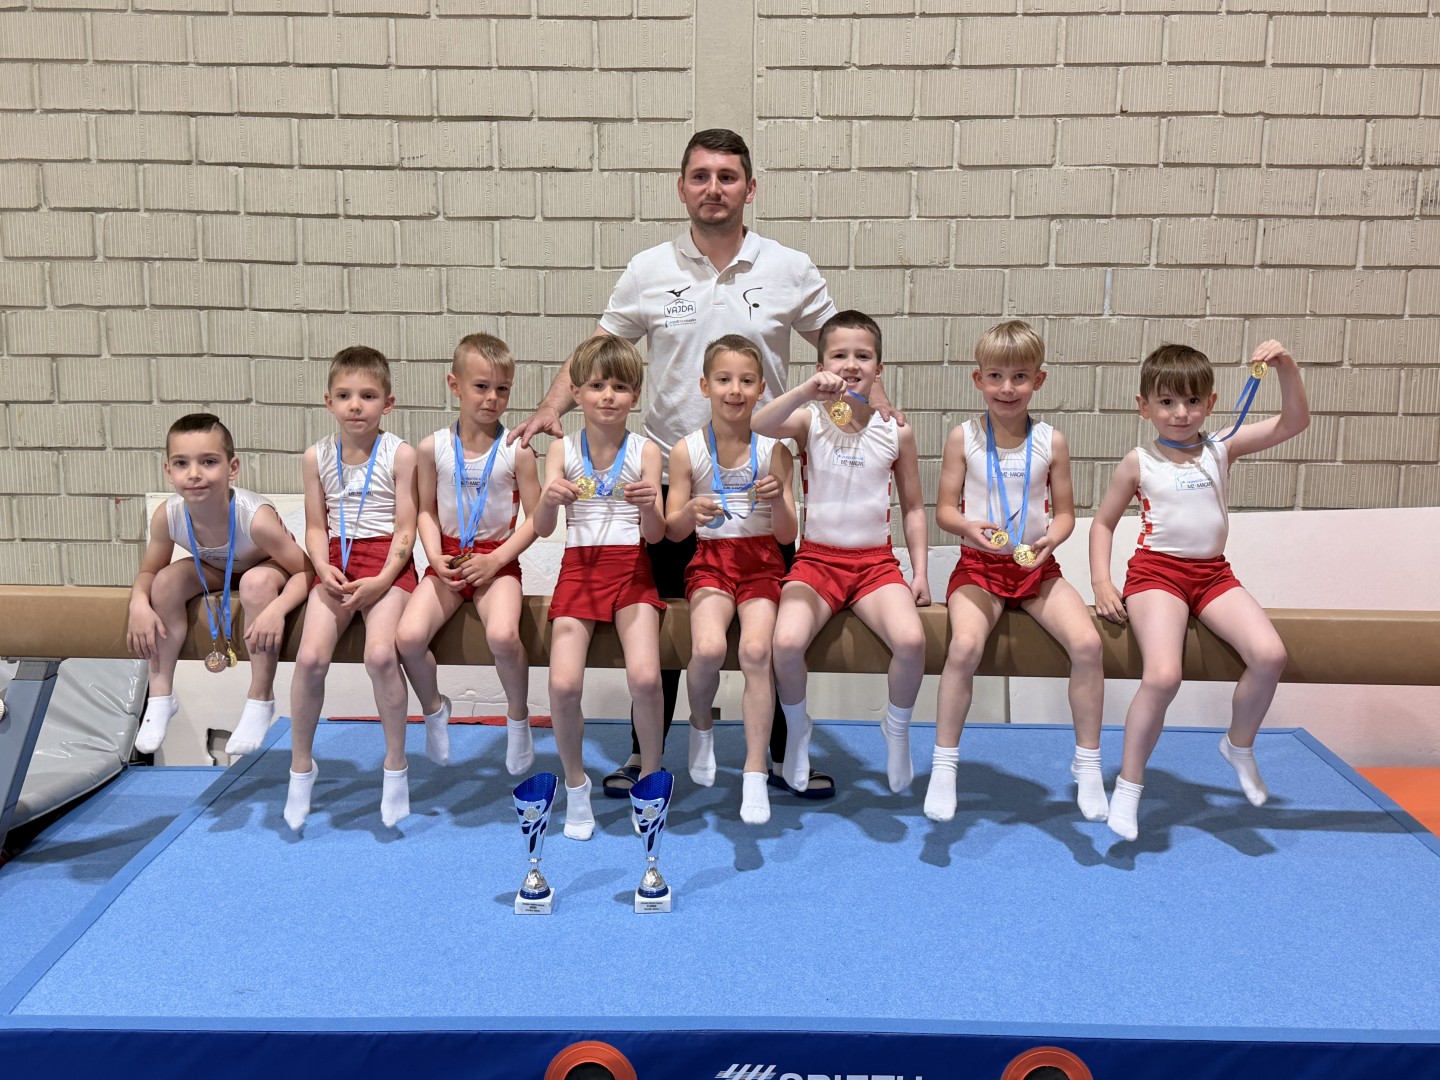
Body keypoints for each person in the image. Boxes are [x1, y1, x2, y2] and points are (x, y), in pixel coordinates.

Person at [510, 129, 900, 801]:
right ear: (681, 186)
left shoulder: (789, 267)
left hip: (761, 478)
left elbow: (843, 350)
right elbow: (598, 348)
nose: (713, 188)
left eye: (727, 176)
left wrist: (879, 414)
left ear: (751, 188)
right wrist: (552, 406)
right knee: (664, 621)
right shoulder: (649, 269)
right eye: (700, 176)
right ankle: (648, 754)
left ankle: (780, 756)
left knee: (766, 625)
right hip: (673, 475)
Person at [1090, 340, 1310, 842]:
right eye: (1167, 402)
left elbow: (1294, 422)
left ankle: (1239, 745)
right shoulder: (1139, 462)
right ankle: (1129, 785)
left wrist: (1286, 367)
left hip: (1212, 575)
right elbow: (1103, 523)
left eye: (1192, 401)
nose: (1180, 413)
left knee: (1270, 655)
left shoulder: (1221, 447)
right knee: (1163, 675)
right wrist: (1102, 581)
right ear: (1144, 406)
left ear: (1210, 403)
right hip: (1157, 574)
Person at [925, 321, 1106, 823]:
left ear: (1039, 380)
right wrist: (967, 525)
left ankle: (1088, 763)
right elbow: (944, 510)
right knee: (964, 647)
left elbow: (1065, 512)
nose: (1008, 388)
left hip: (1035, 567)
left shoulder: (1051, 441)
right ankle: (944, 765)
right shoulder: (964, 437)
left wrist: (1053, 539)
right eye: (997, 376)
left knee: (1088, 645)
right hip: (979, 568)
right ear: (978, 379)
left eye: (1020, 377)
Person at [751, 310, 931, 795]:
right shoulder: (809, 420)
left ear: (879, 368)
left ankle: (896, 727)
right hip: (816, 562)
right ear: (821, 365)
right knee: (786, 642)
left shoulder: (896, 430)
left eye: (863, 356)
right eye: (839, 356)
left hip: (875, 565)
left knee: (912, 641)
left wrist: (919, 573)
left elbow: (914, 507)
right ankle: (798, 731)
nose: (851, 364)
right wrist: (806, 391)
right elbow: (758, 423)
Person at [531, 335, 667, 841]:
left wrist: (650, 505)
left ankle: (650, 778)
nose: (608, 396)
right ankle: (575, 785)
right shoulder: (562, 449)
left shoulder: (646, 450)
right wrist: (549, 498)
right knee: (564, 685)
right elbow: (543, 527)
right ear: (577, 393)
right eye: (596, 386)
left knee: (647, 680)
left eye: (620, 387)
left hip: (631, 567)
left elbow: (656, 534)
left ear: (635, 395)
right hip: (580, 567)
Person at [664, 334, 799, 825]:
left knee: (757, 653)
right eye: (724, 380)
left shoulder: (775, 452)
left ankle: (755, 770)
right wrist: (690, 511)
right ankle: (701, 724)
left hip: (762, 561)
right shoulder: (687, 451)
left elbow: (788, 534)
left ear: (762, 388)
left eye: (746, 381)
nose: (735, 390)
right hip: (711, 560)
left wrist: (778, 499)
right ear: (705, 386)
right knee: (706, 650)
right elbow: (671, 528)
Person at [285, 346, 419, 831]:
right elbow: (315, 526)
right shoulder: (316, 456)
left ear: (388, 403)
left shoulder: (401, 454)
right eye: (344, 396)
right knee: (309, 659)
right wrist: (322, 566)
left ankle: (395, 765)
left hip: (387, 564)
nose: (355, 405)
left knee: (380, 656)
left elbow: (406, 527)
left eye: (367, 395)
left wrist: (383, 579)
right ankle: (301, 766)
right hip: (336, 563)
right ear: (329, 402)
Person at [396, 333, 541, 775]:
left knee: (503, 636)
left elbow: (536, 519)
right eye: (481, 386)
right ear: (454, 384)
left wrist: (496, 561)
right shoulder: (432, 447)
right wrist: (434, 555)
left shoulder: (518, 450)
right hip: (447, 559)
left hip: (497, 560)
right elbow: (424, 509)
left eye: (502, 388)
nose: (492, 398)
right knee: (408, 638)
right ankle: (434, 708)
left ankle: (518, 718)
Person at [127, 413, 312, 757]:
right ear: (168, 470)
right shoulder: (168, 516)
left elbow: (307, 572)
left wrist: (278, 609)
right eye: (181, 463)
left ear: (232, 467)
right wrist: (138, 604)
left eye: (209, 462)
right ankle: (161, 698)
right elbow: (149, 571)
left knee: (256, 582)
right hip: (215, 568)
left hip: (265, 568)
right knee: (164, 583)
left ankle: (260, 698)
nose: (194, 473)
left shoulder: (254, 519)